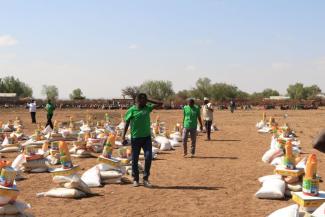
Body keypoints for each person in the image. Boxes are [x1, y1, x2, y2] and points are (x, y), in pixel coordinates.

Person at [122, 93, 162, 188]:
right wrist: (123, 136)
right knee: (135, 159)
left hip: (146, 138)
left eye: (146, 101)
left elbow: (160, 103)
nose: (145, 103)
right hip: (135, 138)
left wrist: (149, 100)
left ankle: (145, 179)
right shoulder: (131, 110)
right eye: (143, 101)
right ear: (138, 101)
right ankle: (135, 179)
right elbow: (126, 124)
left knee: (148, 157)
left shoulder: (147, 108)